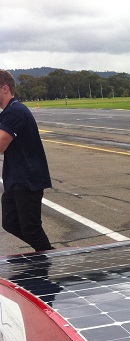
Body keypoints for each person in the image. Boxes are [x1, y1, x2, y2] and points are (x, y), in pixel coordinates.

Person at [0, 69, 54, 252]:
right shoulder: (9, 112)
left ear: (5, 88)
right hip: (16, 177)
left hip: (27, 178)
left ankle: (53, 259)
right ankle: (46, 256)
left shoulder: (15, 111)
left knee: (31, 229)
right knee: (10, 222)